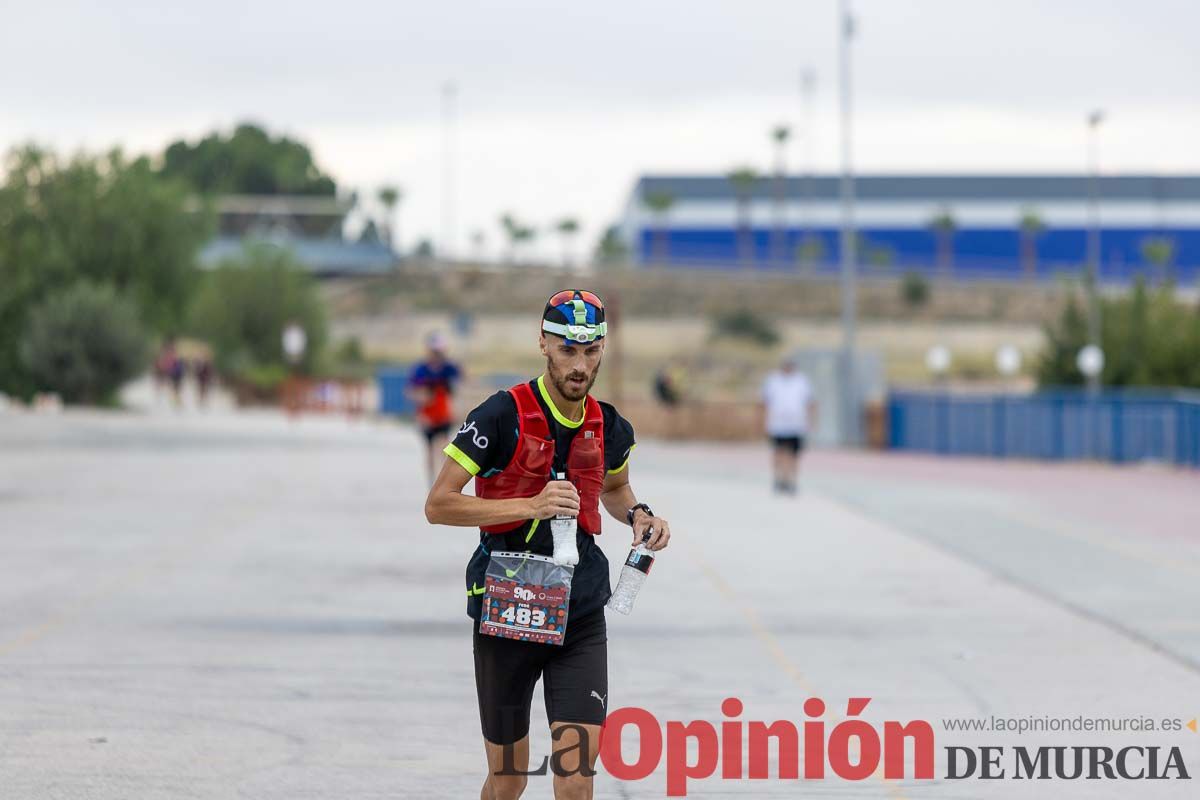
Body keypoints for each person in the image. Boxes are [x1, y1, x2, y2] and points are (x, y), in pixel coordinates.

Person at [424, 289, 671, 800]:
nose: (580, 365)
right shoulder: (500, 415)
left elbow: (614, 489)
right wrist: (530, 505)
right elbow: (439, 504)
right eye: (567, 350)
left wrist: (639, 516)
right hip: (507, 612)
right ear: (543, 343)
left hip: (579, 612)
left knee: (577, 779)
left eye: (591, 351)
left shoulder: (612, 427)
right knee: (509, 779)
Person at [408, 332, 462, 484]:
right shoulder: (420, 369)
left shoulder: (449, 367)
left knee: (445, 446)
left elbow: (460, 385)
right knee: (430, 449)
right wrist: (421, 400)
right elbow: (411, 391)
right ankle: (432, 482)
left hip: (444, 412)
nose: (438, 354)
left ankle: (443, 480)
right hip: (427, 414)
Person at [761, 356, 817, 494]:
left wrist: (811, 421)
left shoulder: (802, 382)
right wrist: (762, 421)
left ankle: (791, 480)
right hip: (777, 423)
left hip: (796, 423)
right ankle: (779, 478)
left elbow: (810, 402)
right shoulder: (773, 381)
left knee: (794, 454)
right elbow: (764, 403)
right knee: (778, 452)